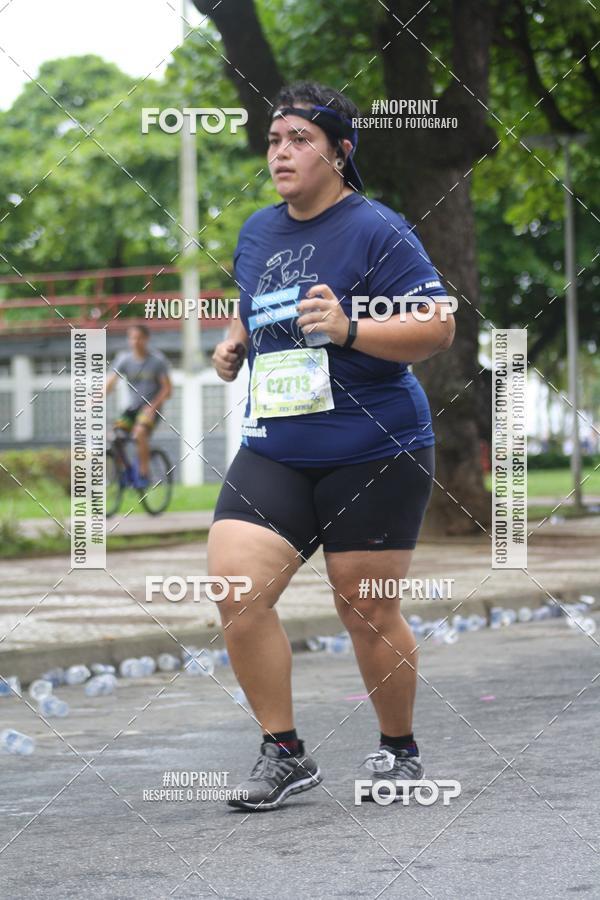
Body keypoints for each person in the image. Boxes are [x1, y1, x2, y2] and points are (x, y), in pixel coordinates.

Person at [209, 81, 455, 811]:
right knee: (235, 588)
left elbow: (437, 326)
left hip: (373, 445)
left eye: (299, 141)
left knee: (366, 606)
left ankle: (398, 752)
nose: (280, 153)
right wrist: (233, 342)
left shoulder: (378, 228)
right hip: (277, 445)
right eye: (274, 140)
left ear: (340, 152)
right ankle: (283, 752)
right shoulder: (257, 229)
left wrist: (350, 329)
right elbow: (254, 305)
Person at [105, 324, 172, 488]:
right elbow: (110, 384)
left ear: (146, 339)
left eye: (138, 338)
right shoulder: (124, 359)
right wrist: (93, 401)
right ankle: (124, 473)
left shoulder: (157, 361)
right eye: (132, 338)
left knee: (139, 434)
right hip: (133, 409)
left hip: (151, 409)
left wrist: (153, 406)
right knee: (115, 437)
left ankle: (143, 474)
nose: (135, 342)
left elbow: (167, 389)